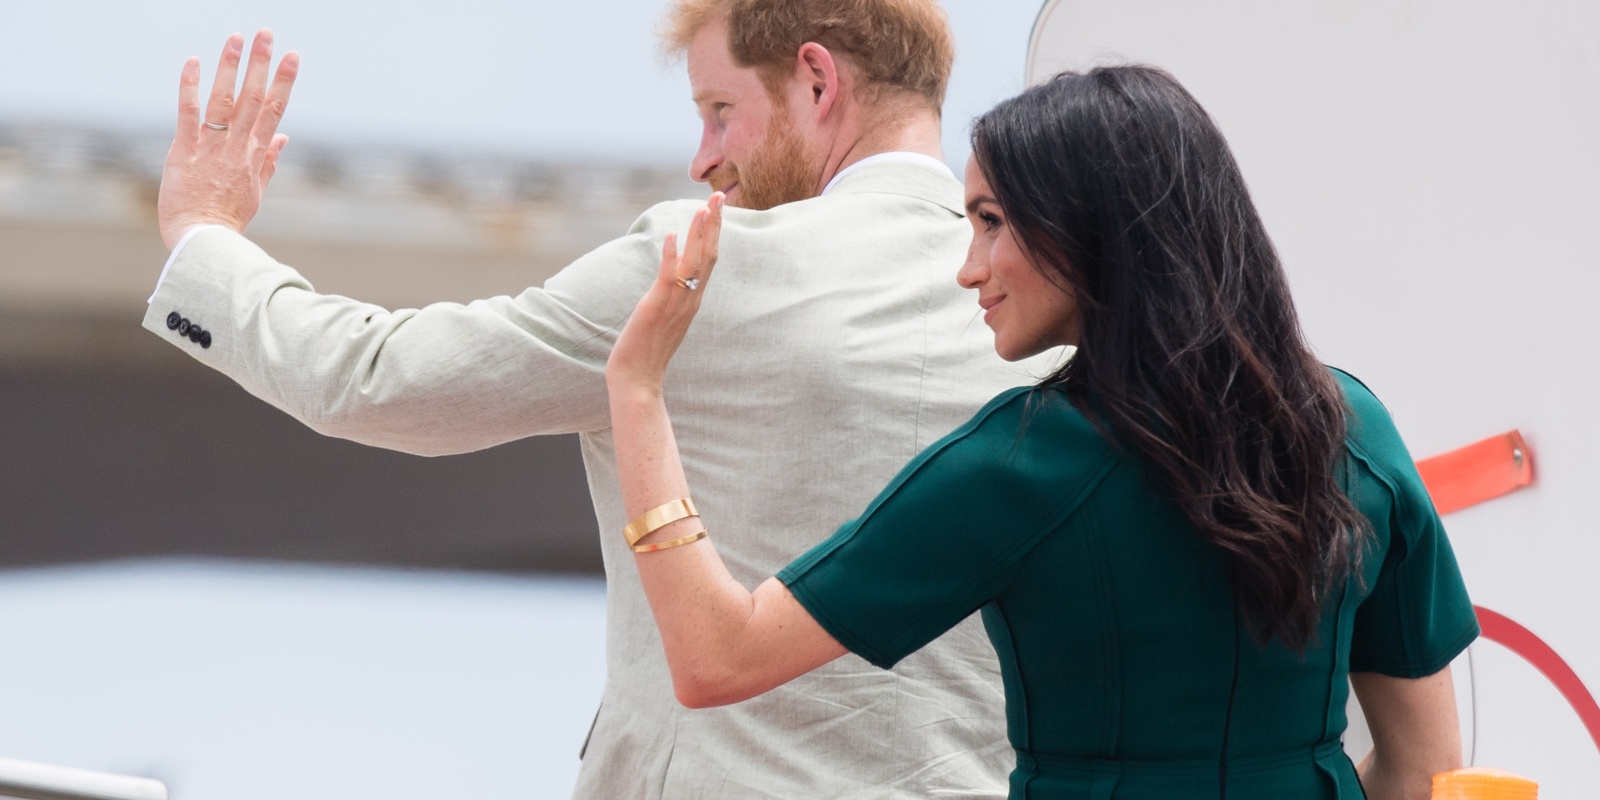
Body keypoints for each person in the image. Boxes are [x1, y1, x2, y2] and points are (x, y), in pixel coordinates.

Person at [146, 2, 1058, 797]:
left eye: (718, 111)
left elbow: (378, 379)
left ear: (817, 81)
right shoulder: (1049, 319)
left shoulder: (702, 267)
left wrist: (204, 237)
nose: (703, 160)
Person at [604, 66, 1478, 800]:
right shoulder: (1351, 428)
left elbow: (716, 658)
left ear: (1090, 226)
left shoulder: (1018, 466)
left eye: (990, 221)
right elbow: (1426, 768)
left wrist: (638, 389)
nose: (967, 268)